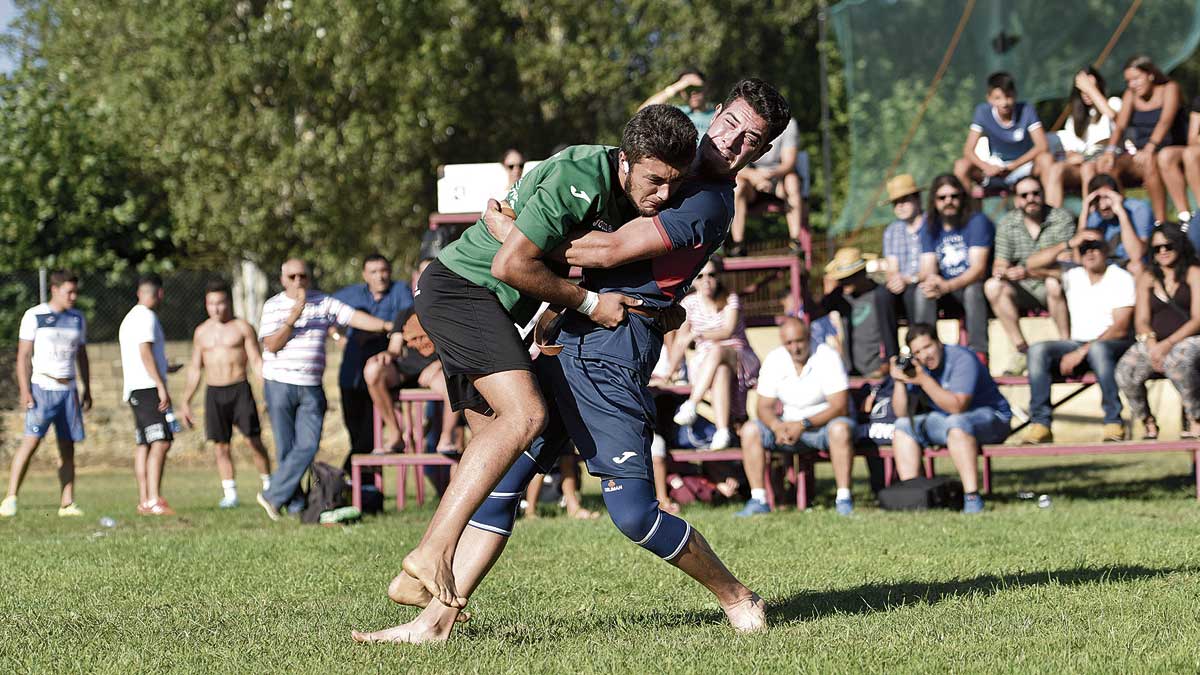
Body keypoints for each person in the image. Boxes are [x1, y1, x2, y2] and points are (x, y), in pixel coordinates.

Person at [353, 79, 790, 643]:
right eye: (730, 123)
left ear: (761, 152)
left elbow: (605, 251)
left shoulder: (706, 201)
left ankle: (737, 596)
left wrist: (517, 232)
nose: (731, 142)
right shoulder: (672, 165)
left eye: (749, 140)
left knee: (634, 515)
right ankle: (434, 623)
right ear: (715, 115)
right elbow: (619, 161)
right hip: (571, 335)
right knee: (503, 481)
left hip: (613, 350)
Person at [397, 105, 697, 610]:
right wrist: (585, 303)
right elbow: (510, 263)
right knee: (528, 416)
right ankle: (429, 552)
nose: (664, 194)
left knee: (498, 455)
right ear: (625, 161)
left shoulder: (631, 196)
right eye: (654, 180)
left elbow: (557, 253)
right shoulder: (580, 176)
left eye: (674, 183)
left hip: (482, 304)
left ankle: (427, 601)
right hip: (462, 292)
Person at [255, 259, 393, 520]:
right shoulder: (273, 306)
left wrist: (387, 326)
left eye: (303, 276)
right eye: (292, 277)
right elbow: (271, 345)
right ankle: (294, 505)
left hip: (311, 385)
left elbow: (354, 317)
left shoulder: (324, 302)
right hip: (280, 383)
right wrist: (293, 317)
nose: (298, 281)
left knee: (307, 444)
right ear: (283, 279)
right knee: (286, 447)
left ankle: (272, 495)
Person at [735, 317, 857, 516]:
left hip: (822, 426)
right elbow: (764, 406)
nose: (795, 348)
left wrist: (803, 424)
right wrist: (776, 426)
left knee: (840, 429)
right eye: (789, 343)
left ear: (809, 336)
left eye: (799, 341)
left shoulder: (828, 356)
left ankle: (844, 499)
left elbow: (840, 406)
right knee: (749, 430)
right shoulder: (775, 359)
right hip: (786, 427)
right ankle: (758, 499)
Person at [888, 323, 1012, 514]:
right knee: (902, 426)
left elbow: (957, 406)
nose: (924, 355)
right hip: (947, 422)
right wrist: (899, 381)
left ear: (939, 342)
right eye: (918, 352)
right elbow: (901, 412)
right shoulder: (919, 367)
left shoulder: (962, 358)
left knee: (957, 423)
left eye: (928, 347)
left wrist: (923, 380)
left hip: (991, 418)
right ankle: (913, 497)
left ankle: (971, 498)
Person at [1024, 231, 1135, 443]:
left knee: (1098, 349)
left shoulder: (1120, 277)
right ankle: (1040, 423)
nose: (1090, 252)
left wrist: (1081, 352)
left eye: (1095, 247)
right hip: (1078, 343)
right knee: (1037, 350)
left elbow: (1120, 328)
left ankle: (1114, 420)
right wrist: (1066, 242)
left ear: (1106, 250)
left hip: (1113, 345)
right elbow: (1031, 266)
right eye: (1084, 248)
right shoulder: (1072, 273)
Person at [2, 271, 91, 518]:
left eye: (75, 292)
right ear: (54, 289)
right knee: (30, 442)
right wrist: (24, 389)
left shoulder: (77, 318)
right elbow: (23, 356)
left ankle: (67, 502)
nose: (73, 297)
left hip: (69, 390)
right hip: (42, 389)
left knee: (68, 447)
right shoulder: (35, 316)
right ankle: (10, 498)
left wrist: (87, 388)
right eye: (68, 292)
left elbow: (82, 356)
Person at [178, 279, 272, 509]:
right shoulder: (201, 332)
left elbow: (256, 362)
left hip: (239, 388)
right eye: (211, 304)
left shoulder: (242, 328)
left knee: (254, 441)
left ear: (227, 302)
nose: (216, 308)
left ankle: (270, 486)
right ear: (206, 304)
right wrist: (186, 401)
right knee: (221, 445)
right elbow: (194, 369)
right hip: (214, 392)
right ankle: (230, 493)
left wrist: (268, 391)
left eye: (220, 303)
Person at [661, 257, 760, 450]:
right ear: (694, 280)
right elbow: (680, 341)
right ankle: (723, 431)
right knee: (720, 370)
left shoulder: (731, 298)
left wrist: (697, 334)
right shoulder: (688, 304)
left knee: (717, 350)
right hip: (707, 364)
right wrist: (669, 372)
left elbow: (727, 331)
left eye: (711, 275)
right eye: (700, 275)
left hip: (739, 355)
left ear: (719, 277)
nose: (706, 280)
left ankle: (692, 404)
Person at [1116, 224, 1200, 439]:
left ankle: (1195, 418)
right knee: (1126, 370)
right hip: (1155, 341)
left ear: (1179, 245)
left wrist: (1167, 344)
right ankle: (1148, 421)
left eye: (1168, 245)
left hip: (1190, 338)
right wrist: (1152, 343)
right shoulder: (1148, 277)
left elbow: (1198, 318)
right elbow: (1142, 319)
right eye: (1157, 248)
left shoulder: (1193, 273)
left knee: (1177, 363)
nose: (1162, 251)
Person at [984, 175, 1074, 374]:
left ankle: (1066, 346)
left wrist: (1029, 271)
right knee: (992, 286)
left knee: (1052, 283)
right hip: (1023, 289)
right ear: (1017, 200)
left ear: (1043, 195)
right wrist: (1005, 272)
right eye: (1024, 195)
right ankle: (1021, 350)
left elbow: (1068, 268)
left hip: (1057, 285)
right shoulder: (1008, 223)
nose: (1030, 198)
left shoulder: (1060, 219)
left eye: (1035, 193)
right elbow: (999, 265)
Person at [332, 254, 413, 458]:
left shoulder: (400, 291)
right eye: (374, 272)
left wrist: (380, 331)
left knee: (369, 438)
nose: (380, 277)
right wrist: (336, 336)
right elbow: (324, 309)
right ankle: (361, 486)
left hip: (382, 373)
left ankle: (361, 485)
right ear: (365, 275)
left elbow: (407, 323)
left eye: (384, 271)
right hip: (350, 375)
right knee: (355, 434)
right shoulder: (351, 294)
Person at [1096, 55, 1188, 224]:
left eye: (1136, 79)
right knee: (1110, 166)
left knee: (1152, 160)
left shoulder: (1170, 88)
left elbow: (1165, 121)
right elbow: (1120, 126)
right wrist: (1109, 152)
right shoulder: (1131, 95)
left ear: (1150, 75)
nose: (1132, 85)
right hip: (1142, 153)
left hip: (1170, 150)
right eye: (1128, 81)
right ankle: (1121, 220)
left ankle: (1161, 222)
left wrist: (1149, 148)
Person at [914, 174, 994, 360]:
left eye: (954, 196)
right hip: (945, 290)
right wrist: (932, 281)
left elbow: (978, 270)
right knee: (922, 291)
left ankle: (978, 354)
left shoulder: (977, 222)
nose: (948, 201)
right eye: (942, 197)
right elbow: (927, 266)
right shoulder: (929, 226)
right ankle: (926, 352)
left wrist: (947, 286)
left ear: (962, 198)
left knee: (973, 290)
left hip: (971, 287)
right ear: (934, 201)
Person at [118, 273, 176, 516]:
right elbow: (145, 353)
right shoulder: (147, 317)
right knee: (160, 441)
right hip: (147, 388)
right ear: (159, 293)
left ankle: (144, 499)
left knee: (144, 443)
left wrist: (165, 367)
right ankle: (153, 499)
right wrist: (161, 384)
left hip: (135, 388)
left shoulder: (130, 317)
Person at [954, 71, 1052, 197]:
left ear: (1015, 95)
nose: (1004, 103)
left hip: (1024, 167)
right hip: (995, 168)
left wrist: (1013, 167)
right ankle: (966, 213)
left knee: (1046, 160)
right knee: (961, 165)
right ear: (989, 98)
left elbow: (1042, 146)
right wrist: (987, 167)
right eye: (998, 98)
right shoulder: (982, 112)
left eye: (1008, 96)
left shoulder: (1027, 109)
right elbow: (968, 150)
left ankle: (1052, 211)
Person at [1044, 67, 1122, 207]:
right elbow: (1071, 150)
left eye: (1091, 87)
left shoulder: (1113, 103)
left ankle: (1091, 213)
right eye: (1082, 89)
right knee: (1056, 169)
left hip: (1109, 160)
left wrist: (1091, 90)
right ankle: (1054, 217)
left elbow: (1114, 118)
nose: (1086, 92)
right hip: (1084, 163)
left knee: (1088, 168)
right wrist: (1074, 156)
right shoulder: (1074, 119)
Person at [729, 116, 803, 256]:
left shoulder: (790, 125)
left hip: (778, 179)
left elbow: (788, 163)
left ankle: (795, 241)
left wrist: (768, 176)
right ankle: (738, 244)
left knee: (792, 181)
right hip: (751, 180)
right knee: (738, 185)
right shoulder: (747, 122)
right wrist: (755, 177)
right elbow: (736, 164)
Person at [1079, 174, 1153, 276]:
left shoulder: (1138, 209)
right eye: (1097, 199)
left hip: (1128, 263)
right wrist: (1084, 211)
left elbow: (1136, 255)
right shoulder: (1095, 216)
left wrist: (1120, 211)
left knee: (1136, 266)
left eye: (1106, 197)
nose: (1103, 205)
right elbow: (1079, 256)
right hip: (1105, 266)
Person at [882, 173, 926, 320]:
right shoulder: (891, 231)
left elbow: (932, 267)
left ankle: (918, 339)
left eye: (905, 200)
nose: (900, 206)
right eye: (896, 202)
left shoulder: (932, 224)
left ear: (917, 199)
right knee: (881, 296)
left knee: (913, 292)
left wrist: (907, 280)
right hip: (902, 284)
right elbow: (891, 268)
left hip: (924, 283)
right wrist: (895, 281)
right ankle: (890, 344)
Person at [639, 67, 717, 134]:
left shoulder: (717, 115)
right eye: (688, 89)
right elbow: (642, 113)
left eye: (697, 88)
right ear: (681, 92)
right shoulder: (676, 114)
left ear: (705, 88)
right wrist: (676, 87)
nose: (693, 93)